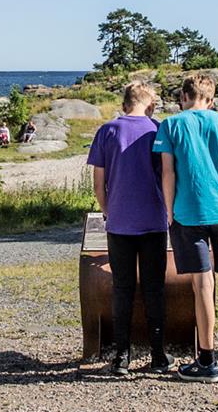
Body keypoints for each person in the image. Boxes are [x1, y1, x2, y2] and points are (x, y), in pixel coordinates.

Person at [154, 74, 218, 383]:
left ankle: (207, 360)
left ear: (184, 97)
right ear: (210, 100)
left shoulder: (170, 126)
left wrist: (169, 211)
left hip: (188, 213)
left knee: (202, 286)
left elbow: (168, 174)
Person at [86, 83, 170, 377]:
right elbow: (169, 176)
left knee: (122, 289)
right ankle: (158, 354)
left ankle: (122, 355)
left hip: (120, 222)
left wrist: (109, 210)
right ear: (150, 104)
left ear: (124, 104)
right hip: (155, 221)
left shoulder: (107, 131)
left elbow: (98, 183)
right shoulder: (158, 129)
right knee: (153, 289)